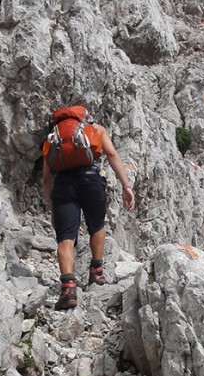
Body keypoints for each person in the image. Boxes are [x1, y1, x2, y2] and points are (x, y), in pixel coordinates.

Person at [42, 105, 135, 310]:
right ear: (85, 117)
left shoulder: (52, 138)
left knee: (65, 238)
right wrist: (126, 186)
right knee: (97, 225)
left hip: (63, 186)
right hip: (91, 181)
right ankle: (97, 272)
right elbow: (112, 155)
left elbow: (47, 178)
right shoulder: (97, 130)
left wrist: (52, 206)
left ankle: (68, 288)